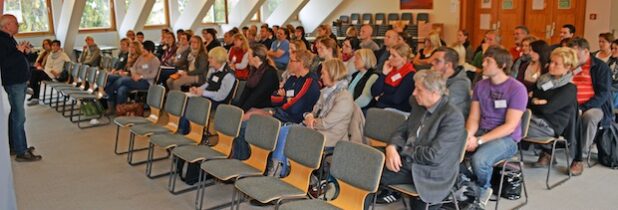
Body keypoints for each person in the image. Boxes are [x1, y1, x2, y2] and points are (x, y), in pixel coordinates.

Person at [373, 70, 466, 209]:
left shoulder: (452, 117)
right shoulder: (419, 106)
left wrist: (403, 150)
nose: (414, 93)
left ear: (434, 93)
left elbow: (433, 155)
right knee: (365, 157)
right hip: (409, 159)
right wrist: (391, 147)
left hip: (429, 170)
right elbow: (401, 131)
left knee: (370, 170)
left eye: (419, 90)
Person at [465, 46, 527, 209]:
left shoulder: (517, 89)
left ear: (502, 65)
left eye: (488, 61)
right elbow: (474, 117)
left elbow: (509, 126)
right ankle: (463, 187)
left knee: (480, 160)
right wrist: (468, 136)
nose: (483, 64)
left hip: (506, 139)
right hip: (481, 131)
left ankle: (483, 188)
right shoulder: (480, 86)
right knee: (449, 147)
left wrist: (478, 141)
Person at [567, 38, 613, 175]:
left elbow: (604, 94)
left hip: (593, 106)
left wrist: (584, 107)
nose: (572, 57)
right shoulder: (570, 65)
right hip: (570, 104)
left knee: (589, 116)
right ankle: (547, 151)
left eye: (575, 54)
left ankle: (579, 157)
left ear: (586, 51)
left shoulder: (600, 67)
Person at [0, 14, 42, 161]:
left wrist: (27, 52)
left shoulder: (9, 38)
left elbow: (20, 59)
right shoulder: (2, 40)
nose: (17, 25)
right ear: (6, 26)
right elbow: (5, 63)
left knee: (15, 115)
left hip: (20, 81)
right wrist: (18, 51)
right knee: (19, 117)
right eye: (15, 23)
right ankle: (21, 151)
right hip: (14, 82)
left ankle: (15, 145)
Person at [527, 47, 578, 168]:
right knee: (508, 122)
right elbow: (527, 99)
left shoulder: (569, 88)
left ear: (568, 67)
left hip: (549, 126)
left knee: (510, 126)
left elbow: (547, 109)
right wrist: (536, 101)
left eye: (556, 64)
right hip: (533, 119)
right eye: (551, 62)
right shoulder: (543, 80)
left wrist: (534, 100)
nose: (550, 65)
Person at [243, 49, 320, 124]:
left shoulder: (309, 82)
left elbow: (294, 108)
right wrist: (287, 99)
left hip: (289, 120)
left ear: (300, 63)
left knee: (249, 119)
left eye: (291, 60)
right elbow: (273, 98)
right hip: (279, 113)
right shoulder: (292, 78)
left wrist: (283, 99)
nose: (288, 63)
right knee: (250, 112)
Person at [303, 59, 356, 147]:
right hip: (318, 131)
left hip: (330, 137)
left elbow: (326, 124)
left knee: (291, 134)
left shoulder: (344, 98)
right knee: (288, 130)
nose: (321, 77)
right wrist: (309, 116)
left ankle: (281, 161)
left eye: (323, 73)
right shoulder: (325, 92)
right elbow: (315, 111)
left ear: (332, 74)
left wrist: (311, 122)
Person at [107, 41, 160, 110]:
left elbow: (153, 75)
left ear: (149, 50)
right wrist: (134, 74)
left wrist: (140, 76)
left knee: (122, 80)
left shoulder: (155, 61)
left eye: (143, 49)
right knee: (122, 89)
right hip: (134, 79)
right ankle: (119, 109)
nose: (142, 50)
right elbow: (133, 67)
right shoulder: (141, 57)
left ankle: (109, 95)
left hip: (145, 82)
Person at [371, 43, 416, 113]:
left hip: (397, 112)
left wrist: (380, 98)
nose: (389, 58)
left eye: (394, 56)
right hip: (382, 108)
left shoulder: (410, 75)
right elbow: (374, 91)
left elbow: (396, 98)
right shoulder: (390, 70)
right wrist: (384, 74)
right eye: (390, 54)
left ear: (403, 59)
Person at [235, 44, 279, 111]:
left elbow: (257, 95)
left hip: (263, 106)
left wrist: (243, 111)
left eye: (249, 56)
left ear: (256, 58)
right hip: (253, 104)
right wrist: (238, 109)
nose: (247, 58)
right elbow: (246, 91)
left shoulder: (270, 73)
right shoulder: (254, 69)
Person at [430, 47, 471, 117]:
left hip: (451, 123)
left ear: (448, 65)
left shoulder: (462, 83)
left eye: (437, 61)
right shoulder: (437, 77)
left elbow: (440, 105)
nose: (432, 63)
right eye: (433, 60)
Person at [28, 40, 71, 106]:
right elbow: (47, 66)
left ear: (59, 47)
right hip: (48, 73)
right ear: (52, 46)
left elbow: (70, 63)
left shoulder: (63, 55)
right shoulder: (50, 55)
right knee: (34, 72)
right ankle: (34, 97)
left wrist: (61, 72)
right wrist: (51, 70)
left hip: (55, 76)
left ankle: (31, 89)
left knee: (35, 73)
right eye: (53, 45)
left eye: (57, 45)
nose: (55, 47)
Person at [608, 40, 618, 108]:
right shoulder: (611, 60)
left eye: (616, 48)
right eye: (612, 48)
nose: (613, 50)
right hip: (610, 89)